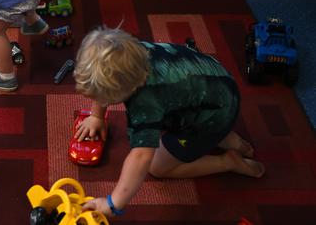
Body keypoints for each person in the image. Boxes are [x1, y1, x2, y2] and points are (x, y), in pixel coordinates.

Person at [73, 26, 265, 217]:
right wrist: (97, 116)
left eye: (104, 97)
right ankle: (228, 138)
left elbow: (141, 157)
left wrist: (112, 204)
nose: (101, 101)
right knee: (209, 119)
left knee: (157, 167)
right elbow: (107, 78)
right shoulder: (131, 53)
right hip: (219, 86)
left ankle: (227, 161)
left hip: (211, 117)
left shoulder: (145, 104)